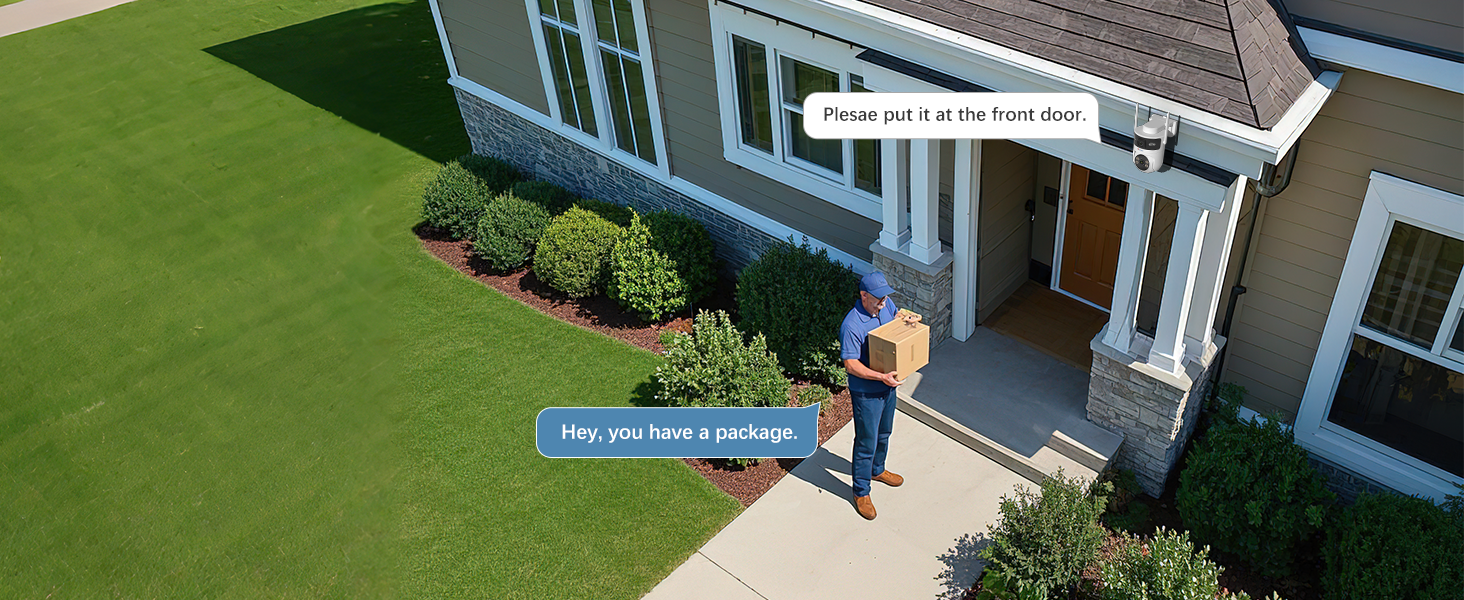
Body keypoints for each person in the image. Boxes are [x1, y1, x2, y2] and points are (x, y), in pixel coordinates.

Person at [839, 271, 920, 520]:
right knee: (866, 441)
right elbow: (851, 364)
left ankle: (877, 469)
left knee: (884, 433)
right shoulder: (852, 325)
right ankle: (861, 491)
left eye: (885, 298)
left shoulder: (884, 305)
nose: (883, 303)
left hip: (888, 387)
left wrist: (908, 318)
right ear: (864, 296)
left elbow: (896, 316)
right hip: (867, 393)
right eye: (878, 299)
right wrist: (880, 377)